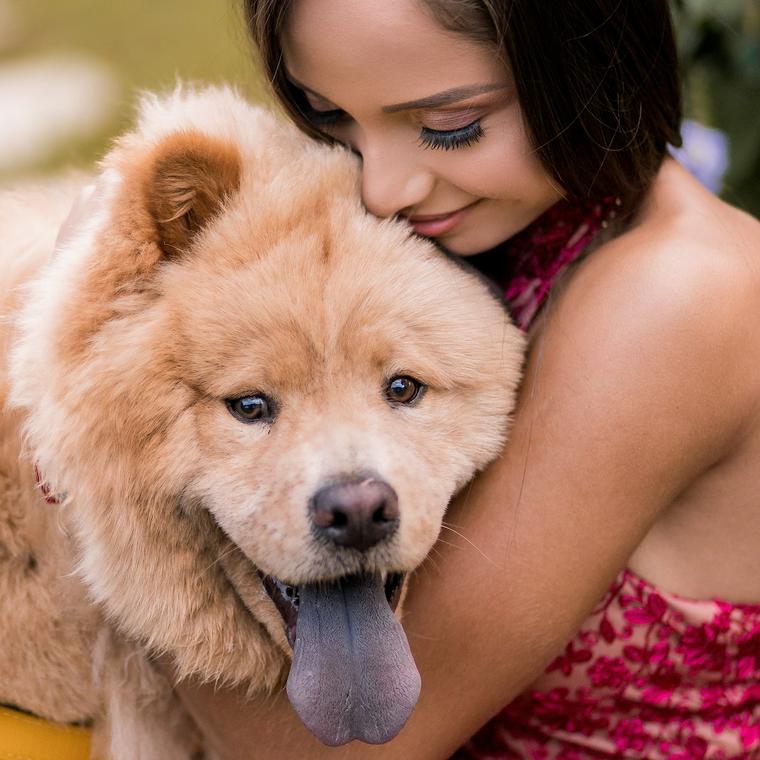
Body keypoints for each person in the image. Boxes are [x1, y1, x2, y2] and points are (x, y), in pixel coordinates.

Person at [168, 1, 760, 757]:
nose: (381, 189)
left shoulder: (676, 298)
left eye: (450, 125)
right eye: (330, 117)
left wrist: (85, 442)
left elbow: (334, 747)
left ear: (586, 54)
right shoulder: (509, 223)